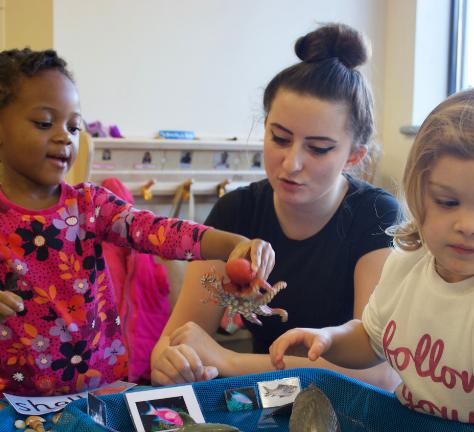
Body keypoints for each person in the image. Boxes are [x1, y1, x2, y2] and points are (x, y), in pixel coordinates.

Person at [270, 86, 474, 432]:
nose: (469, 225)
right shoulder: (407, 265)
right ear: (418, 192)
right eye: (448, 202)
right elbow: (373, 341)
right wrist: (330, 339)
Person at [0, 48, 273, 397]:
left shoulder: (89, 205)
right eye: (44, 123)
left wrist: (232, 243)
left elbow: (158, 231)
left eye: (73, 127)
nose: (63, 137)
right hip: (15, 407)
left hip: (101, 393)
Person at [150, 23, 401, 391]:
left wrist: (230, 361)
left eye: (318, 149)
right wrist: (171, 362)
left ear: (354, 155)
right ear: (264, 126)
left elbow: (379, 375)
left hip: (346, 411)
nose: (291, 163)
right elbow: (172, 343)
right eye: (279, 139)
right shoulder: (235, 212)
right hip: (266, 402)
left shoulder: (376, 215)